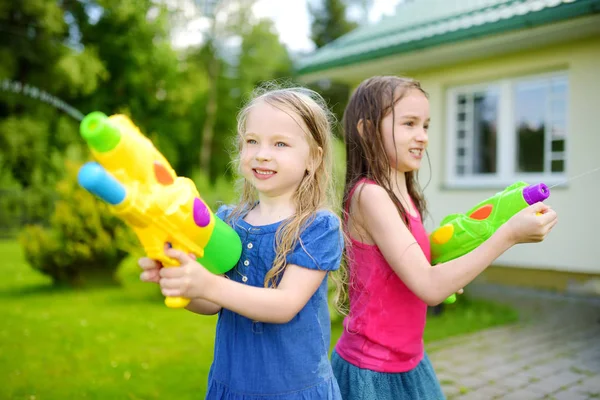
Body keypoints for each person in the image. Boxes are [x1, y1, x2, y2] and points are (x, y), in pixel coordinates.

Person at [330, 75, 558, 400]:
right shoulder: (371, 196)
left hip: (409, 362)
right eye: (409, 123)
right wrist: (509, 235)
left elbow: (418, 271)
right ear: (366, 130)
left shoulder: (404, 193)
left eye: (426, 125)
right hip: (373, 372)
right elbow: (430, 287)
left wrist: (451, 271)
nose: (422, 136)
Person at [138, 83, 344, 399]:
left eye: (280, 144)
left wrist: (208, 285)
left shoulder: (317, 226)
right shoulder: (227, 221)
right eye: (252, 141)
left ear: (313, 159)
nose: (262, 154)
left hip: (292, 390)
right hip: (232, 387)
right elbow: (211, 303)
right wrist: (179, 279)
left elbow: (285, 305)